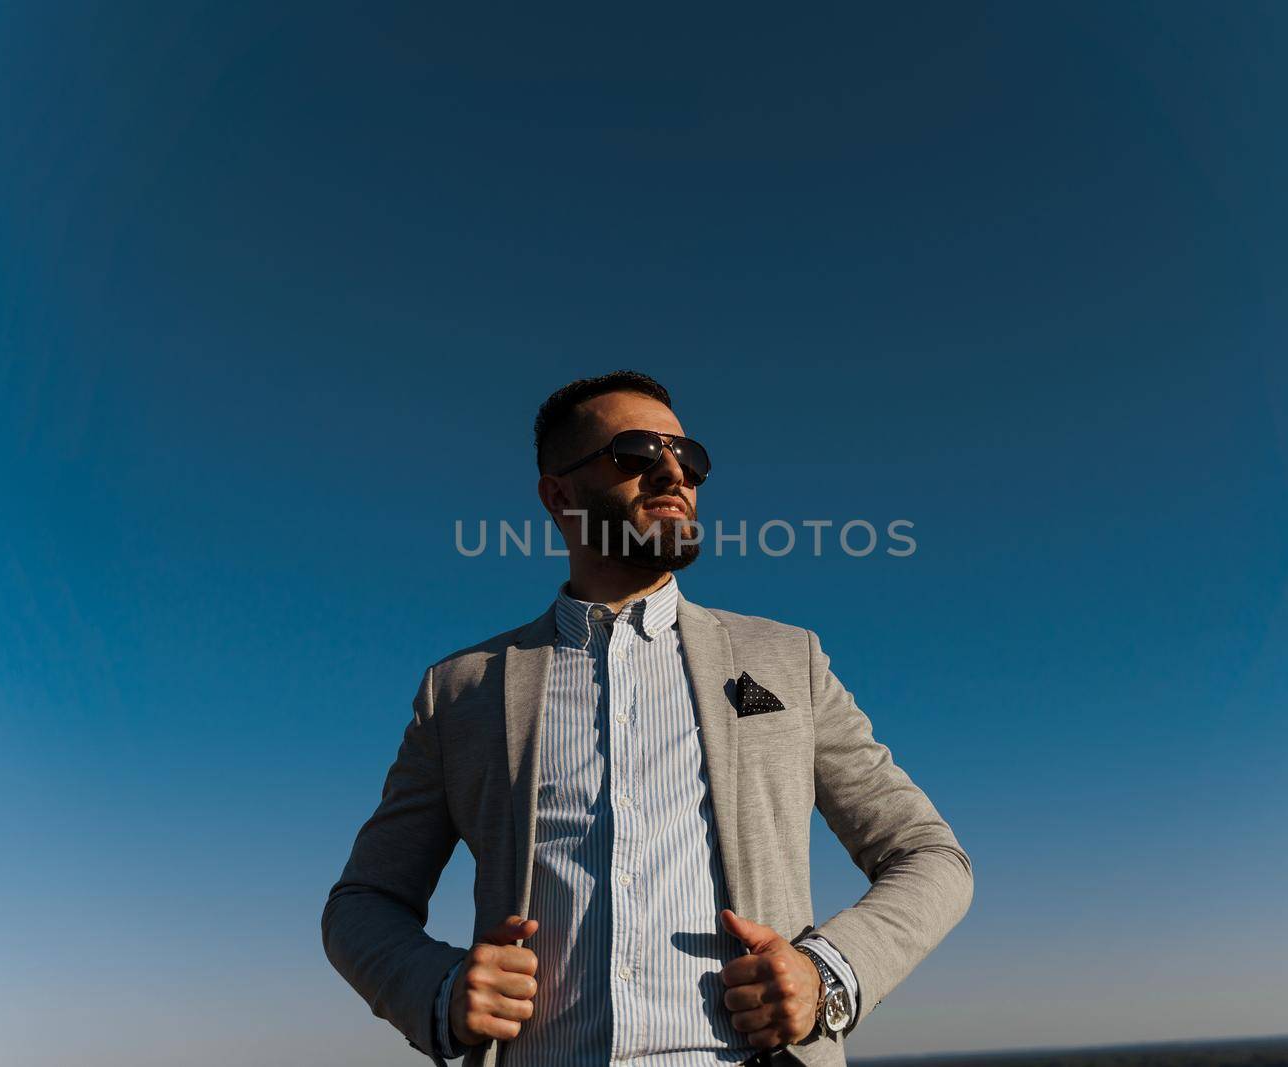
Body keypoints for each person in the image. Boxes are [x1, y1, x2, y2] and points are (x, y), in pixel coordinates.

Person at [322, 371, 973, 1067]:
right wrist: (442, 987)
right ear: (559, 493)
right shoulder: (461, 690)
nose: (673, 471)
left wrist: (827, 973)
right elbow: (362, 903)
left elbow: (931, 857)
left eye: (688, 457)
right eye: (635, 452)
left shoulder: (789, 662)